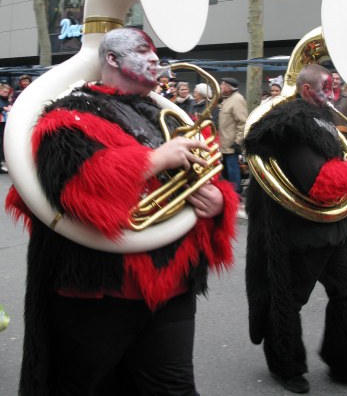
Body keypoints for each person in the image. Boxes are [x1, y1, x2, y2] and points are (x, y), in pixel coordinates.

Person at [5, 27, 238, 396]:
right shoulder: (66, 114)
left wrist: (219, 201)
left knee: (175, 389)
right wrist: (156, 158)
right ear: (111, 59)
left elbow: (205, 175)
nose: (155, 59)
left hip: (173, 288)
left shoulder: (165, 113)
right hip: (98, 292)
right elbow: (77, 188)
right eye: (143, 51)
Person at [244, 64, 347, 394]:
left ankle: (345, 363)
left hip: (333, 228)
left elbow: (329, 174)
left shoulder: (320, 120)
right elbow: (316, 183)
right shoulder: (295, 124)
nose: (334, 95)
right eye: (327, 88)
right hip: (303, 233)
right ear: (307, 91)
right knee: (290, 300)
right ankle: (284, 365)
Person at [218, 77, 248, 195]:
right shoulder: (228, 99)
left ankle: (236, 194)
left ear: (228, 88)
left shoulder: (237, 100)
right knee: (227, 172)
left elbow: (243, 122)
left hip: (231, 145)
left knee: (233, 171)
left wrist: (238, 141)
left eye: (223, 84)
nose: (220, 86)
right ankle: (230, 193)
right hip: (225, 144)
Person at [0, 83, 12, 174]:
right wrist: (3, 108)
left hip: (4, 123)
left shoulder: (6, 100)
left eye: (7, 92)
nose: (6, 93)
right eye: (4, 92)